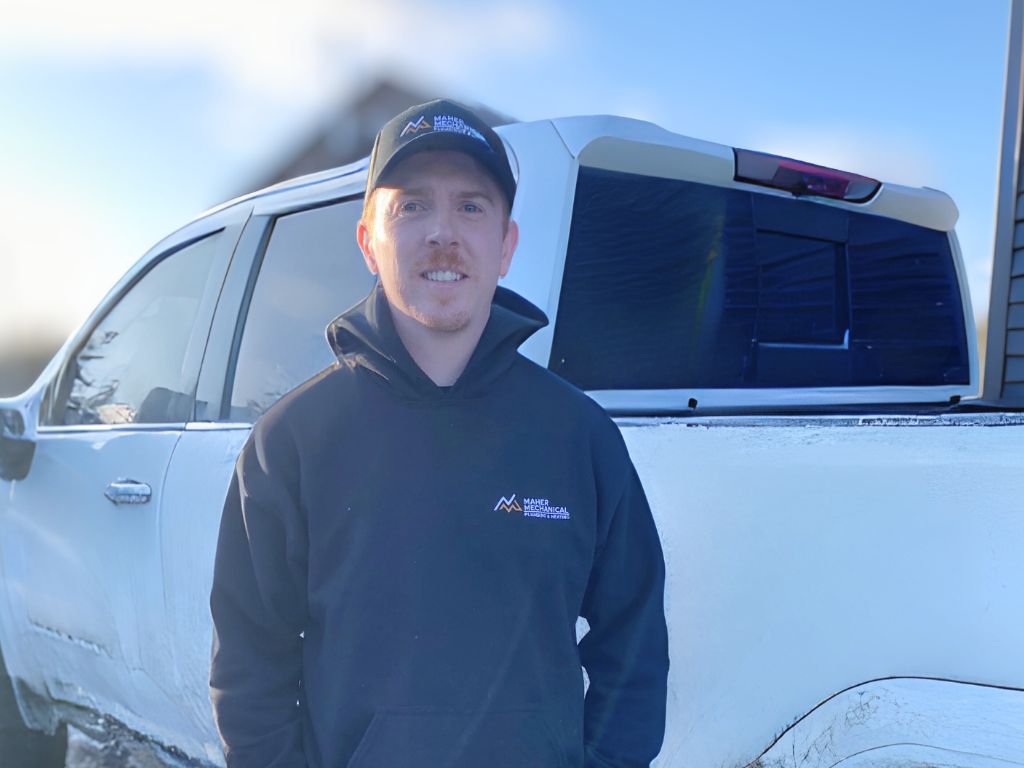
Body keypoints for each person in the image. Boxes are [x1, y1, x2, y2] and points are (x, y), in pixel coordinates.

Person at [209, 98, 669, 768]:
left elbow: (633, 646)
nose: (443, 233)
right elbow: (251, 670)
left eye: (471, 206)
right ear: (369, 241)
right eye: (412, 206)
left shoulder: (580, 438)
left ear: (506, 245)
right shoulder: (292, 444)